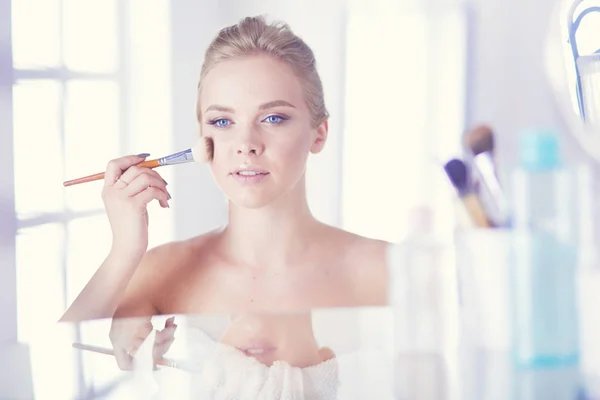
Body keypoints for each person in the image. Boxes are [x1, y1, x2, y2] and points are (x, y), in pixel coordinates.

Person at [60, 15, 388, 368]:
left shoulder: (388, 270)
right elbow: (60, 372)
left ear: (318, 133)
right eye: (222, 122)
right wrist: (124, 250)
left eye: (273, 118)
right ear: (202, 134)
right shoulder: (158, 274)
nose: (245, 144)